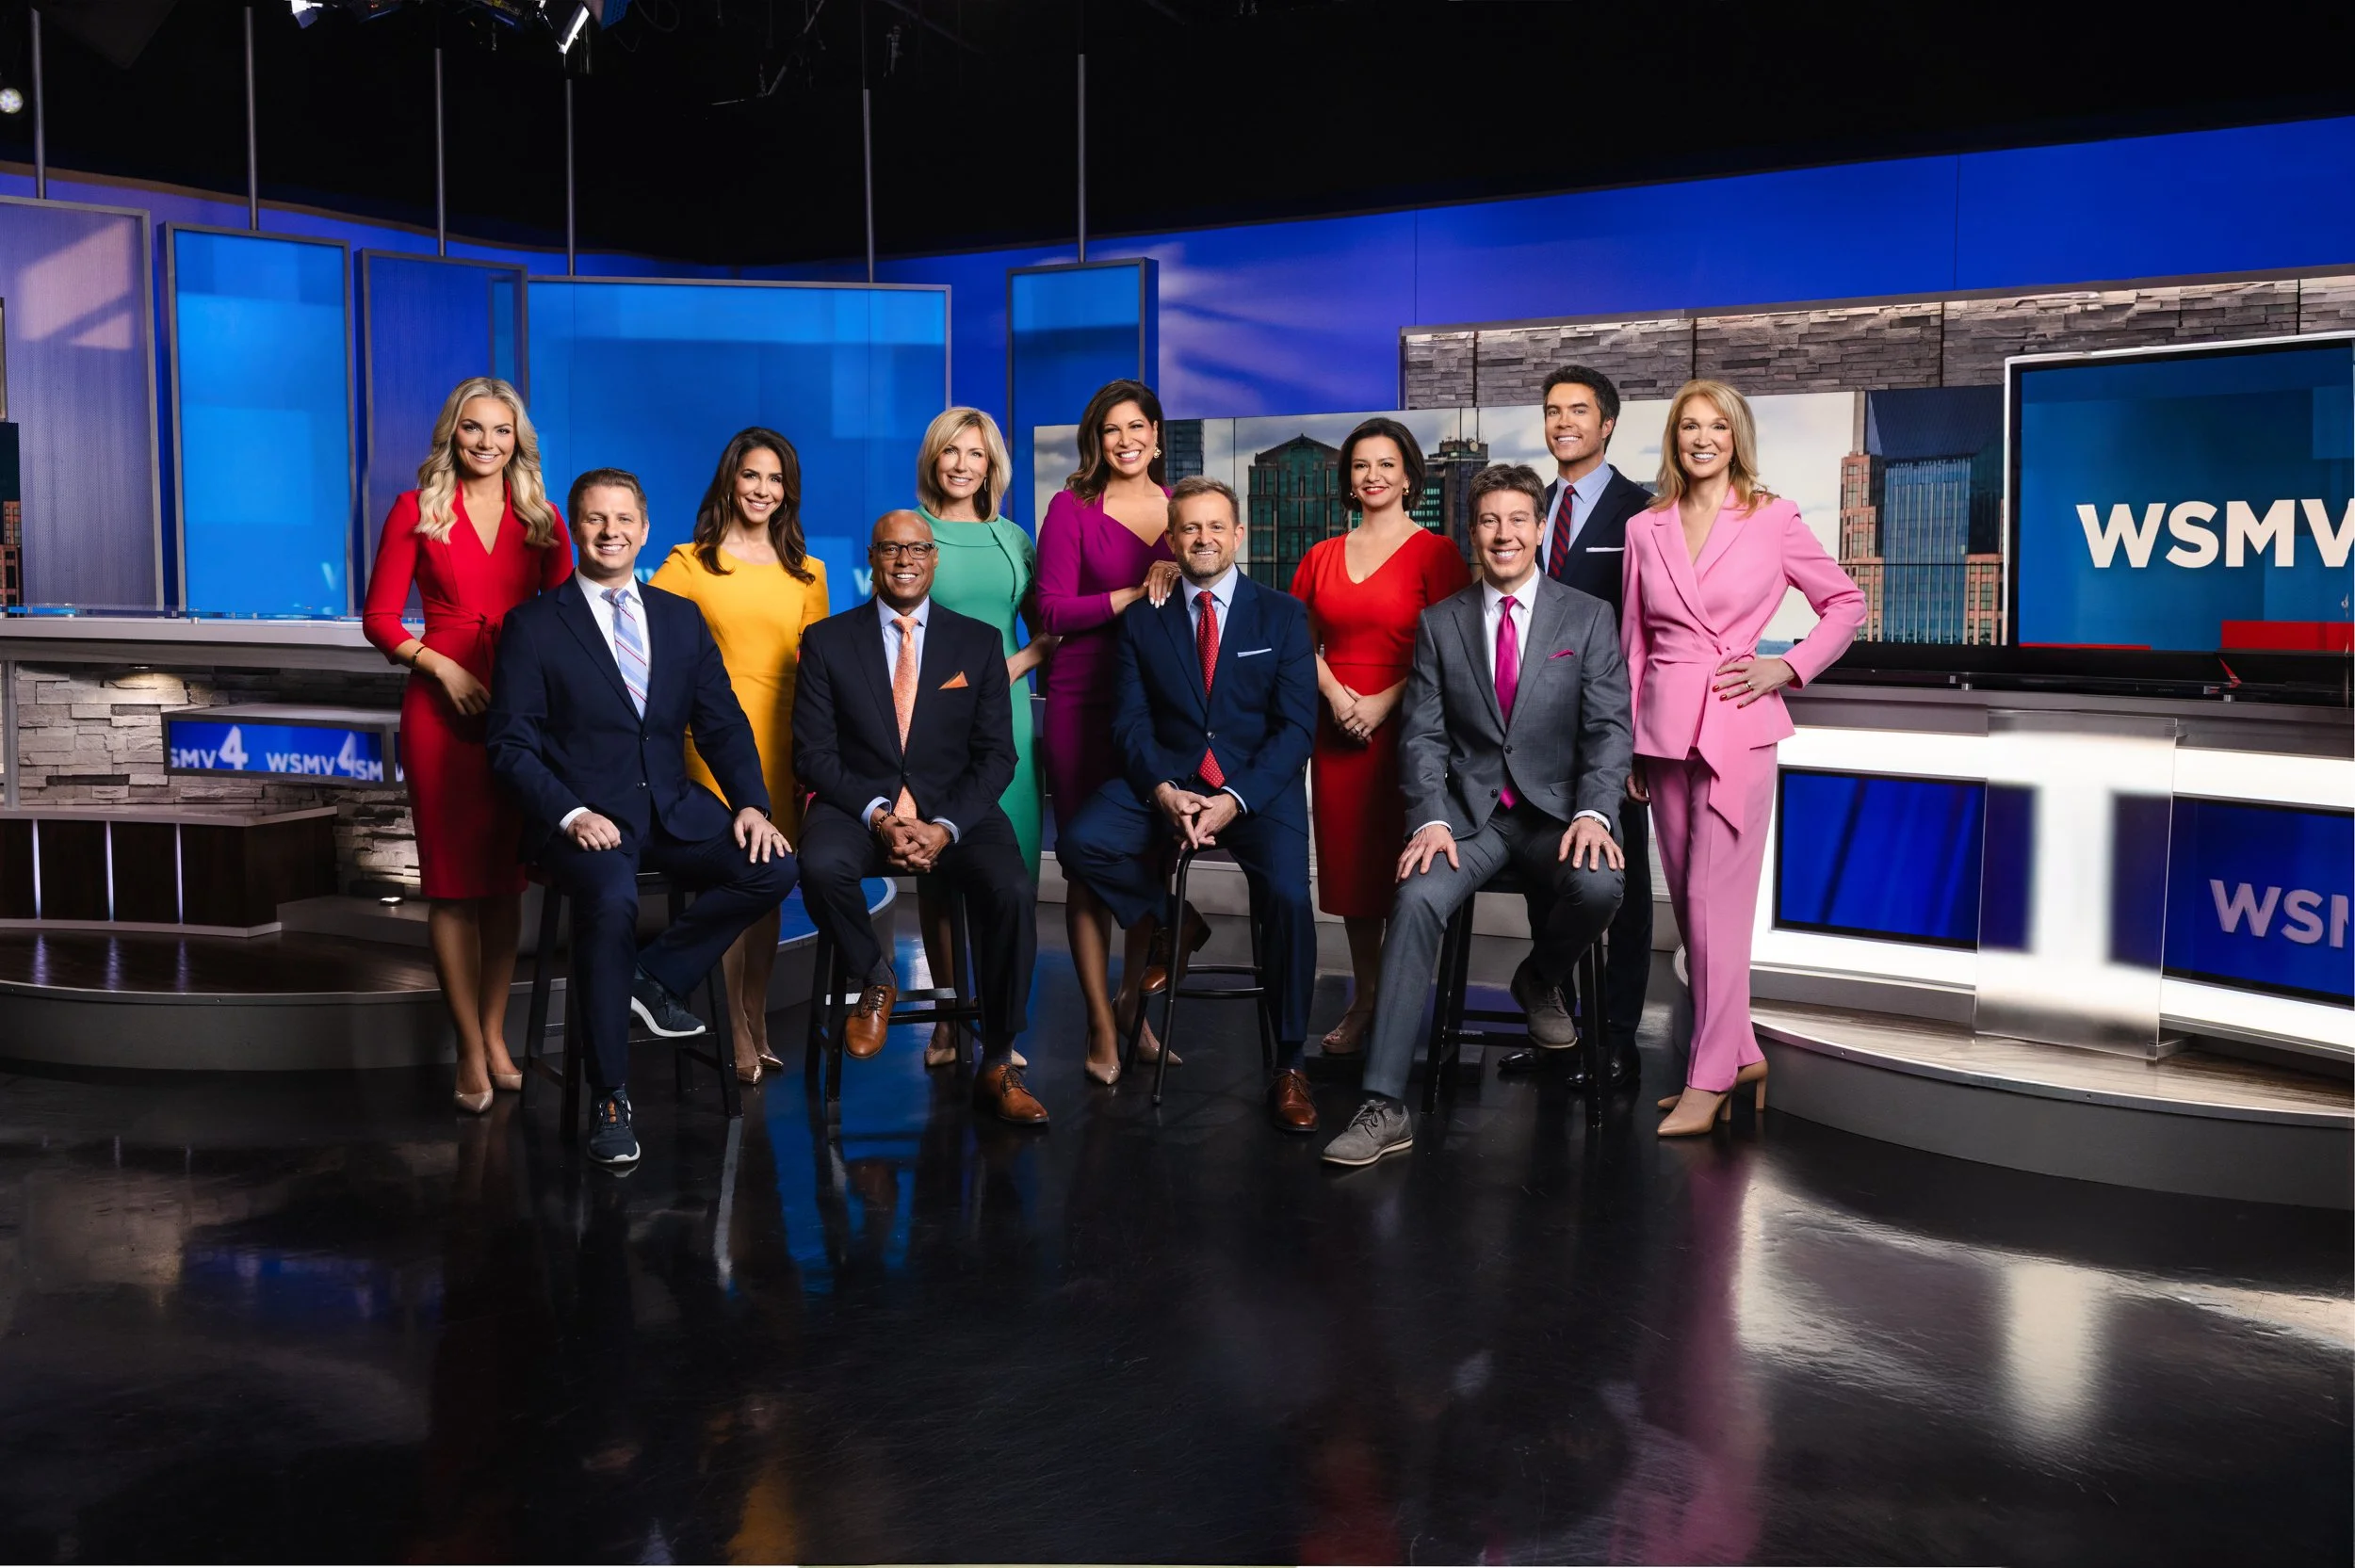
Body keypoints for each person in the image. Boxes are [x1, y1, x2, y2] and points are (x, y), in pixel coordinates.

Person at [1321, 464, 1632, 1170]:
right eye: (1490, 520)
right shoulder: (1442, 623)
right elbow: (1423, 736)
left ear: (1540, 528)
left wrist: (1594, 811)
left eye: (1518, 519)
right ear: (1472, 532)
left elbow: (1609, 730)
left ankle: (1538, 979)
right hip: (1469, 820)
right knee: (1414, 898)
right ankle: (1384, 1104)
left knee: (1600, 887)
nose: (1504, 534)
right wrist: (1429, 818)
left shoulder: (1587, 617)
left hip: (1556, 815)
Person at [486, 468, 796, 1170]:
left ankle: (651, 978)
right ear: (575, 528)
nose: (611, 531)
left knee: (773, 866)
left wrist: (752, 803)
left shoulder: (679, 618)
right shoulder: (534, 625)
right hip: (585, 819)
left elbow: (721, 723)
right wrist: (569, 813)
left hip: (674, 809)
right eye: (596, 518)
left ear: (645, 528)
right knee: (611, 899)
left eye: (624, 518)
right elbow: (509, 746)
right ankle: (611, 1098)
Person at [1625, 381, 1864, 1136]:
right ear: (1674, 438)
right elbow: (1635, 642)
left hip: (1736, 725)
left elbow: (1847, 604)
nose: (1703, 438)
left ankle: (1710, 1075)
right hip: (1664, 731)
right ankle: (1742, 1050)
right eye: (1689, 426)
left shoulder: (1774, 517)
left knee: (1714, 908)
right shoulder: (1644, 527)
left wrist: (1787, 665)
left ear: (1737, 437)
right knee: (1693, 910)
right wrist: (1631, 741)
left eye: (1717, 426)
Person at [1057, 477, 1323, 1135]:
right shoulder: (1143, 617)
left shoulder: (1282, 614)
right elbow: (1129, 721)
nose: (1203, 538)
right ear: (1172, 540)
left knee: (1289, 896)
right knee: (1082, 841)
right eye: (1190, 528)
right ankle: (1175, 920)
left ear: (1239, 535)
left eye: (1215, 527)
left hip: (1255, 791)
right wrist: (1161, 790)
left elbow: (1295, 730)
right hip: (1170, 782)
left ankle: (1290, 1062)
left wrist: (1235, 798)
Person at [789, 510, 1045, 1125]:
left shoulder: (977, 642)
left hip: (953, 811)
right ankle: (875, 975)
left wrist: (944, 826)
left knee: (1011, 889)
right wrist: (880, 816)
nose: (904, 560)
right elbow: (813, 755)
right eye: (890, 549)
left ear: (934, 558)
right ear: (872, 559)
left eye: (917, 549)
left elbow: (996, 755)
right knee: (819, 865)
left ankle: (999, 1058)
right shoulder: (827, 640)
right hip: (857, 807)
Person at [361, 377, 573, 1115]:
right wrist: (441, 666)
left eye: (501, 430)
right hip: (440, 710)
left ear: (519, 440)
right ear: (453, 432)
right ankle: (467, 1048)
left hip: (521, 708)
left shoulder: (543, 517)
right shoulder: (414, 509)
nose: (487, 442)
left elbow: (567, 616)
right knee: (452, 886)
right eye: (474, 427)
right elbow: (380, 619)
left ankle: (494, 1033)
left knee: (506, 884)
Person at [1497, 365, 1662, 1091]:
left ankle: (1617, 1038)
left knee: (1621, 888)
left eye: (1578, 410)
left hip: (1607, 736)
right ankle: (1554, 1031)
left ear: (1608, 423)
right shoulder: (1529, 509)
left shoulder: (1641, 513)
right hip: (1532, 736)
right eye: (1552, 410)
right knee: (1548, 881)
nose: (1563, 422)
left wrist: (1638, 742)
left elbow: (1653, 632)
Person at [649, 428, 829, 1085]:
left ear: (788, 491)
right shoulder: (688, 564)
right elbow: (644, 641)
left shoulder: (809, 572)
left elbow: (819, 672)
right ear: (730, 480)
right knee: (733, 880)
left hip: (783, 746)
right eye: (751, 475)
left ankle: (755, 1017)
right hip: (714, 748)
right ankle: (731, 1029)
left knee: (772, 884)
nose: (762, 489)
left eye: (775, 479)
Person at [1288, 418, 1470, 1059]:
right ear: (1348, 479)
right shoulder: (1320, 556)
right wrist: (1339, 698)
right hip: (1337, 730)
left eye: (1387, 464)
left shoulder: (1437, 554)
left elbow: (1454, 650)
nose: (1374, 476)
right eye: (1362, 465)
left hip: (1412, 730)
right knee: (1353, 875)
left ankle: (1399, 1001)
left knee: (1406, 873)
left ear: (1410, 476)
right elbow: (1295, 641)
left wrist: (1383, 702)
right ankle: (1366, 997)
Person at [1035, 380, 1182, 1085]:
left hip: (1162, 704)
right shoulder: (1072, 508)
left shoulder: (1183, 507)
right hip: (1084, 699)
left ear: (1156, 434)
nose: (1125, 440)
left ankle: (1133, 1008)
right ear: (1096, 440)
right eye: (1110, 429)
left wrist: (1181, 570)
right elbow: (1052, 610)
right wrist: (1133, 591)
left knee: (1153, 854)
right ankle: (1098, 1020)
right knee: (1087, 864)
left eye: (1136, 427)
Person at [912, 406, 1052, 1069]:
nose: (963, 465)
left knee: (1010, 874)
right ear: (933, 458)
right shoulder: (912, 532)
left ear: (992, 465)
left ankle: (1001, 1030)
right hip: (931, 721)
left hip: (1006, 718)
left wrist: (1011, 669)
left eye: (976, 453)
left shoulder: (1013, 539)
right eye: (952, 451)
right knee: (938, 873)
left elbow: (1046, 630)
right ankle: (947, 1022)